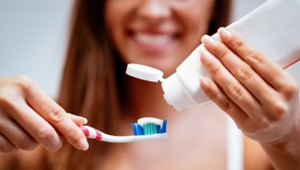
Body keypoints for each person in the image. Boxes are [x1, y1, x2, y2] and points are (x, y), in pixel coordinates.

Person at [0, 0, 299, 169]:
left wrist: (284, 141)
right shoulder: (33, 140)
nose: (154, 12)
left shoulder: (259, 152)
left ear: (214, 6)